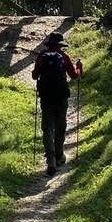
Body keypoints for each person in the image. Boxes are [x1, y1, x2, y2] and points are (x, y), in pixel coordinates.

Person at [31, 31, 82, 176]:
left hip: (46, 97)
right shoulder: (64, 57)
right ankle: (60, 155)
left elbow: (35, 76)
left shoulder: (42, 56)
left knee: (47, 128)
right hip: (61, 97)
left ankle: (51, 160)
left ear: (49, 44)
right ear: (60, 44)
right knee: (60, 125)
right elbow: (73, 76)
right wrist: (79, 68)